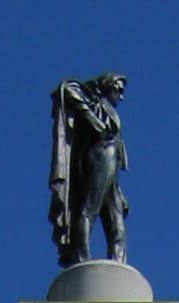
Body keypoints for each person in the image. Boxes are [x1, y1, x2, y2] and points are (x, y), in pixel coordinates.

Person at [49, 75, 128, 267]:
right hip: (100, 155)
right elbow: (66, 88)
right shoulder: (95, 104)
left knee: (117, 223)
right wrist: (91, 118)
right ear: (106, 88)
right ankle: (81, 258)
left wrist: (119, 190)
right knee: (89, 209)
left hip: (111, 161)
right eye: (117, 89)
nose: (121, 96)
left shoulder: (106, 109)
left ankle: (118, 264)